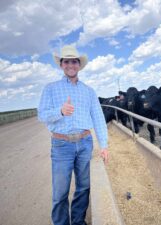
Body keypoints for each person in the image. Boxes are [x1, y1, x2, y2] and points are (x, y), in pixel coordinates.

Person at [38, 45, 108, 225]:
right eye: (67, 61)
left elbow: (98, 118)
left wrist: (104, 145)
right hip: (62, 145)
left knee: (84, 187)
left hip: (85, 143)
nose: (71, 65)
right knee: (60, 192)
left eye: (74, 61)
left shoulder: (89, 91)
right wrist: (60, 111)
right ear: (61, 64)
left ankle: (78, 221)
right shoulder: (50, 89)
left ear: (79, 65)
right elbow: (42, 115)